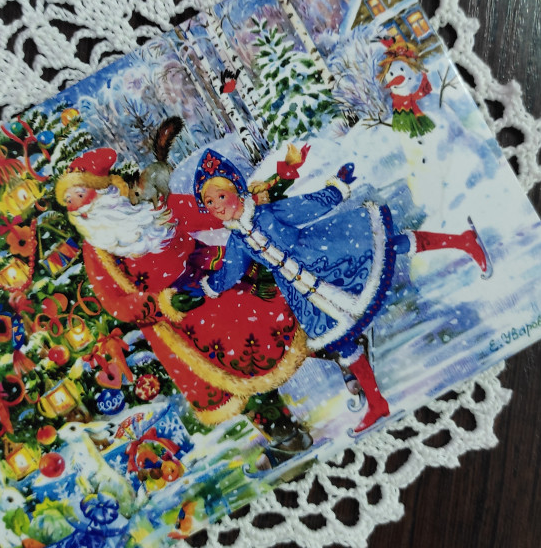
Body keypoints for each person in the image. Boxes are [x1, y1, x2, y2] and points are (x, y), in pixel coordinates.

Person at [193, 148, 491, 433]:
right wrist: (208, 287)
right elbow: (231, 271)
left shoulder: (268, 213)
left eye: (221, 196)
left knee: (389, 245)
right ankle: (377, 404)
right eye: (209, 202)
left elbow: (309, 206)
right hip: (304, 294)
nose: (217, 206)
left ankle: (464, 242)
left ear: (237, 191)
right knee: (342, 342)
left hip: (325, 257)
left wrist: (337, 187)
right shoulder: (238, 241)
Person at [54, 147, 314, 463]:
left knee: (271, 321)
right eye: (68, 201)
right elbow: (114, 302)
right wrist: (156, 302)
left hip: (210, 280)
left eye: (79, 195)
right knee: (226, 378)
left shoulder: (154, 206)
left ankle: (342, 362)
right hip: (172, 320)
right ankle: (285, 434)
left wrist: (254, 196)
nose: (75, 206)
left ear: (104, 189)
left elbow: (207, 211)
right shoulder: (97, 249)